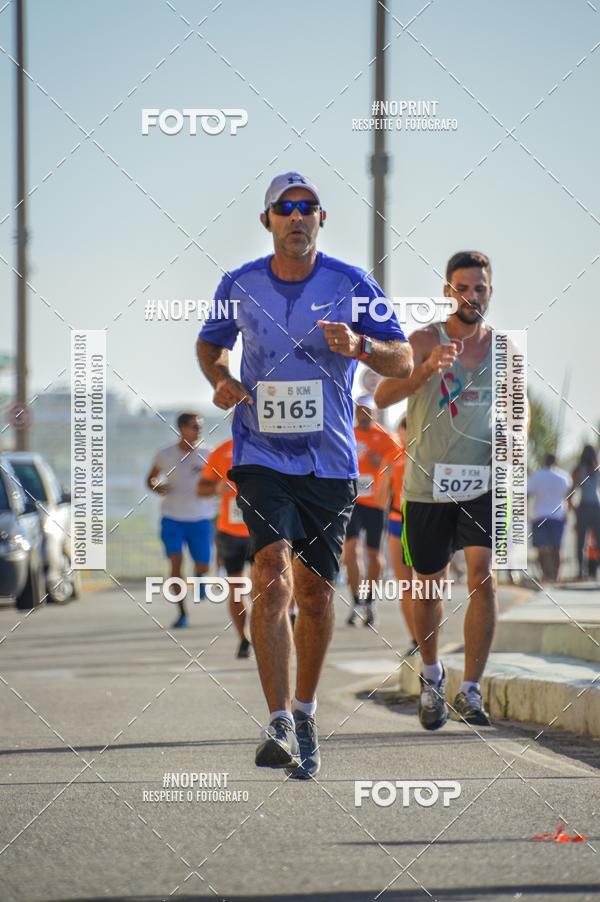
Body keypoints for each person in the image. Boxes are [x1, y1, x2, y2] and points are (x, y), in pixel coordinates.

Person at [196, 171, 412, 778]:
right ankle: (278, 721)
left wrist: (361, 347)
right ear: (267, 219)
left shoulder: (353, 284)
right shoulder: (238, 285)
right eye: (285, 207)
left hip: (330, 462)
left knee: (315, 594)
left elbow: (402, 357)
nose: (297, 215)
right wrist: (220, 378)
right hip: (261, 454)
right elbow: (210, 344)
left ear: (322, 218)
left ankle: (307, 711)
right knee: (270, 573)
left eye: (307, 206)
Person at [375, 250, 496, 729]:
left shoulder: (504, 348)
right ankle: (431, 675)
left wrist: (518, 439)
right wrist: (425, 369)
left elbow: (519, 407)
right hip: (427, 485)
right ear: (448, 292)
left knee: (483, 576)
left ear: (490, 291)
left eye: (480, 288)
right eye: (462, 288)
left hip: (483, 483)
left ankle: (471, 689)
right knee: (428, 586)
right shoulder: (424, 340)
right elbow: (382, 395)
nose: (471, 296)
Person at [146, 413, 214, 628]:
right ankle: (182, 613)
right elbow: (151, 478)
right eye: (195, 426)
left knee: (203, 565)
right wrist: (157, 486)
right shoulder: (165, 454)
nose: (199, 430)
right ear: (182, 428)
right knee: (175, 564)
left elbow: (219, 480)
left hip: (201, 518)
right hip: (172, 518)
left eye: (200, 426)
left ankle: (200, 576)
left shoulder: (208, 453)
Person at [344, 396, 397, 627]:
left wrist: (382, 464)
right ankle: (356, 601)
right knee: (350, 551)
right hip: (352, 501)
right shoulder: (347, 433)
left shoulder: (386, 437)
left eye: (367, 410)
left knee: (374, 555)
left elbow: (399, 464)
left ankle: (370, 600)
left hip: (376, 503)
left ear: (375, 413)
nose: (362, 414)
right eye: (359, 410)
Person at [197, 437, 253, 658]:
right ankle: (244, 638)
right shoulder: (221, 452)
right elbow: (201, 488)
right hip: (230, 532)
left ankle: (266, 633)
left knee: (265, 587)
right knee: (236, 589)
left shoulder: (270, 445)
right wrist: (217, 487)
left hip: (261, 531)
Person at [374, 415, 417, 657]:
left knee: (427, 586)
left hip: (424, 524)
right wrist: (385, 478)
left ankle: (428, 634)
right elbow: (380, 501)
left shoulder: (428, 456)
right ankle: (415, 639)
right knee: (406, 586)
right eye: (405, 428)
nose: (408, 433)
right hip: (397, 522)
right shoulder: (392, 458)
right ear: (399, 432)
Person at [527, 453, 571, 583]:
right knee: (557, 547)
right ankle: (556, 576)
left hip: (539, 515)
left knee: (541, 548)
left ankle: (545, 576)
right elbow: (568, 497)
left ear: (544, 461)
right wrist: (567, 513)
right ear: (556, 462)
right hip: (557, 516)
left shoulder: (536, 476)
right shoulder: (564, 477)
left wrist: (526, 512)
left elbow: (527, 495)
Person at [571, 445, 600, 579]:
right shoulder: (597, 469)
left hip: (584, 506)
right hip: (596, 506)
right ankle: (592, 571)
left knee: (580, 541)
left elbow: (571, 492)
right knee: (597, 540)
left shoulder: (578, 470)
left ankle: (581, 572)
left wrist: (574, 508)